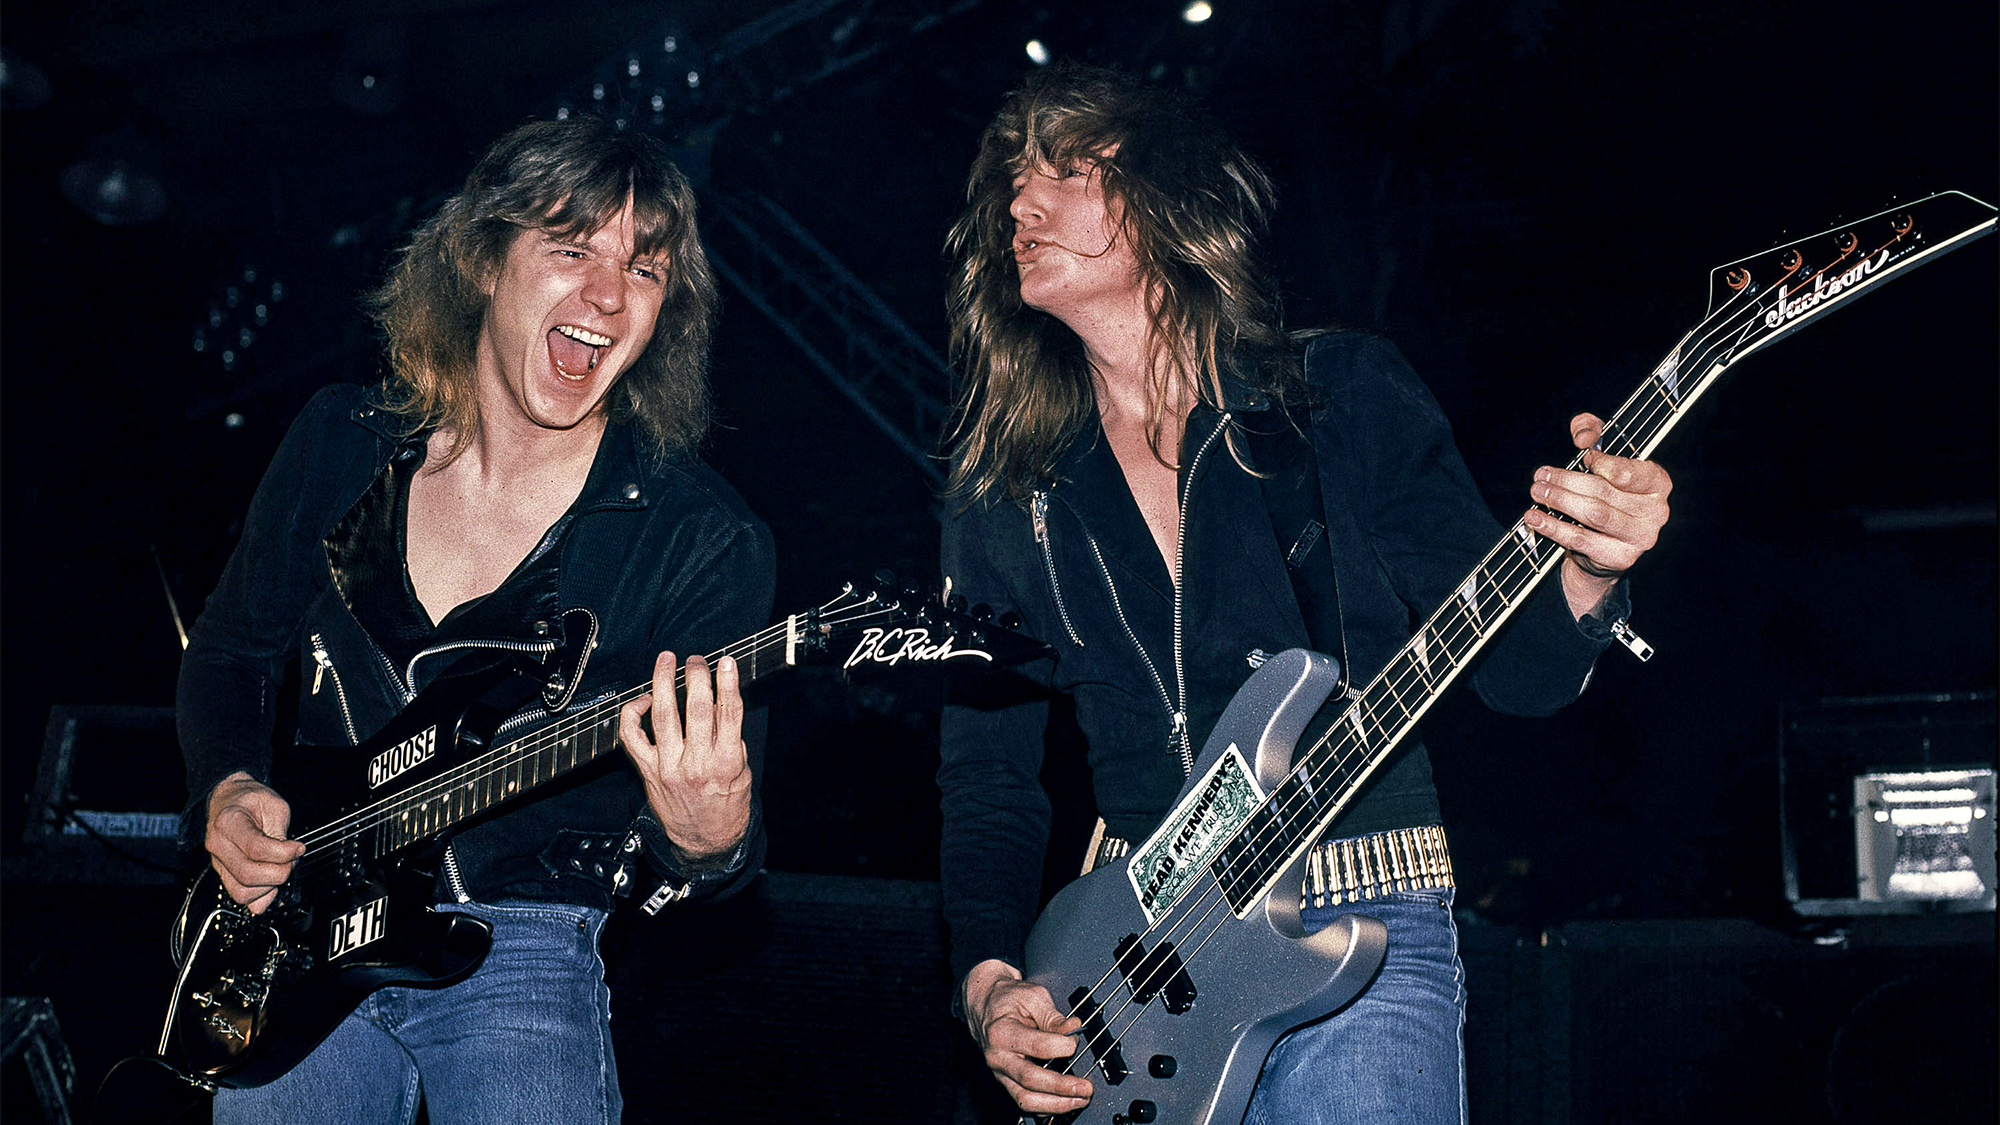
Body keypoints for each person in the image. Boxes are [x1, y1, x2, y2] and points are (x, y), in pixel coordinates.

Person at [935, 63, 1671, 1123]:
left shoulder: (1339, 397)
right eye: (1011, 179)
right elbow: (988, 775)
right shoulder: (1009, 488)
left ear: (1168, 202)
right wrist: (989, 983)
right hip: (1122, 971)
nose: (1019, 199)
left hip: (1354, 919)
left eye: (1065, 170)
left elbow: (1519, 675)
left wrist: (1592, 568)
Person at [177, 115, 773, 1125]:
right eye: (572, 247)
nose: (606, 292)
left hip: (520, 943)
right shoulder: (342, 443)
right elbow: (231, 654)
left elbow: (701, 851)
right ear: (484, 258)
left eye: (645, 268)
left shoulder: (697, 537)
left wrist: (709, 843)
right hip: (297, 935)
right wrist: (228, 788)